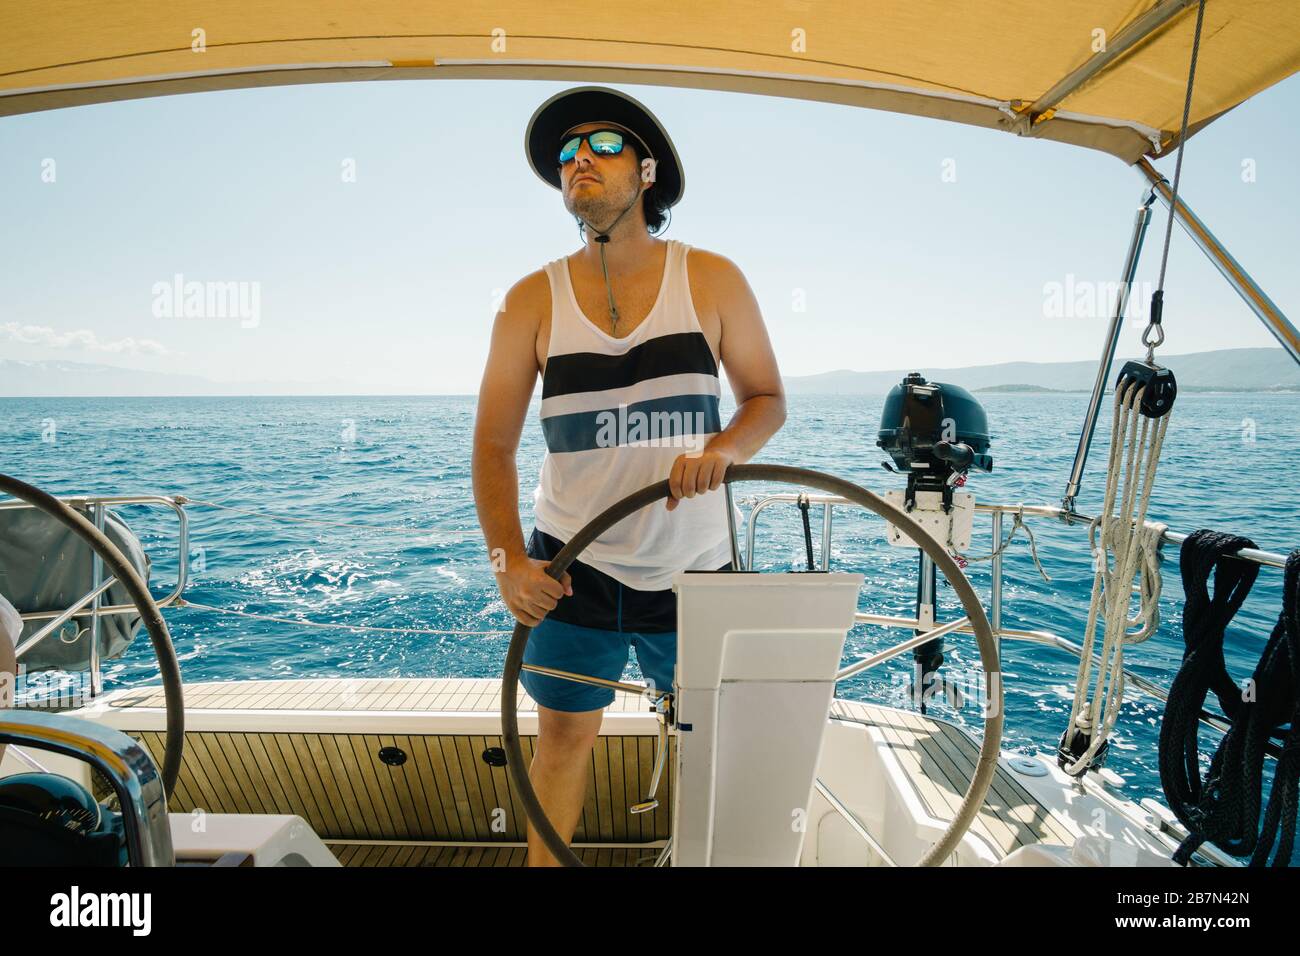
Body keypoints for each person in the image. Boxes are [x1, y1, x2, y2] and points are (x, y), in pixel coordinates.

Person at [472, 86, 785, 865]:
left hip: (697, 573)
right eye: (566, 152)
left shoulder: (711, 280)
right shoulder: (527, 302)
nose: (579, 158)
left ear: (647, 172)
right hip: (576, 571)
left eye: (602, 144)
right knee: (563, 742)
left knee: (708, 741)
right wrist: (510, 560)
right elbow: (491, 447)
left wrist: (725, 450)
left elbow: (767, 401)